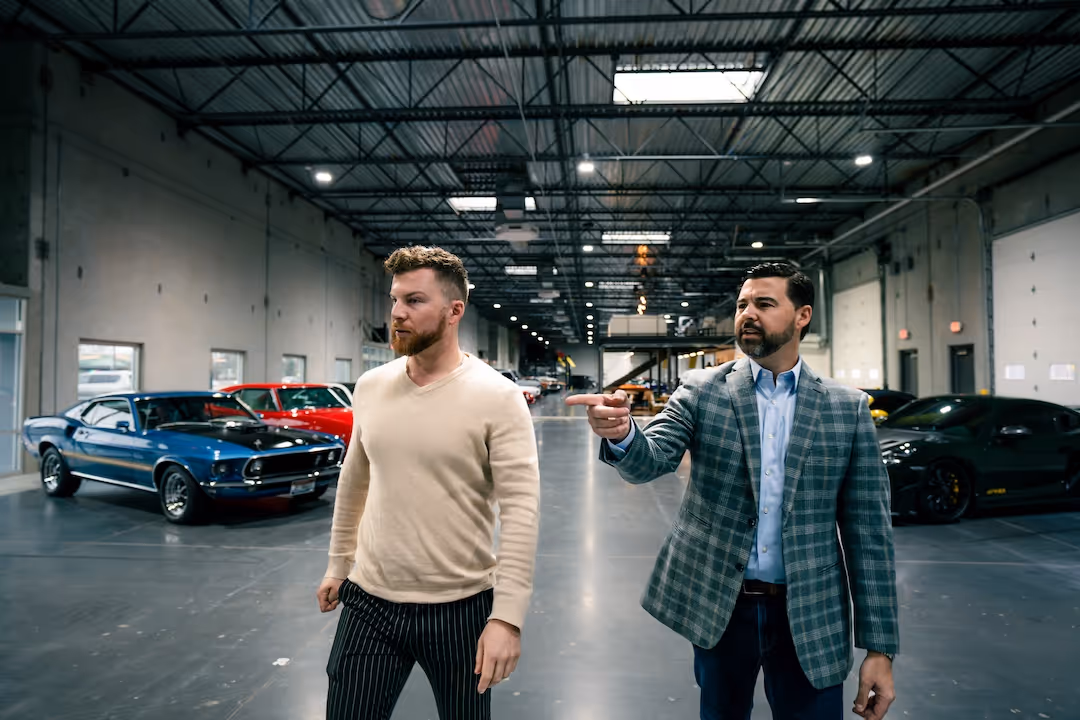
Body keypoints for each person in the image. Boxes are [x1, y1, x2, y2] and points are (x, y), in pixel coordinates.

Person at [567, 262, 899, 720]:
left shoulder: (847, 409)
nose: (747, 314)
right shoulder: (702, 390)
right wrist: (623, 433)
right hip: (721, 607)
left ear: (802, 316)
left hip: (809, 612)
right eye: (742, 304)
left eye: (764, 304)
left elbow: (869, 533)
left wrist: (880, 648)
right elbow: (652, 460)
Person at [317, 246, 541, 720]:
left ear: (454, 310)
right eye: (395, 300)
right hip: (370, 600)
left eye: (415, 301)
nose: (397, 313)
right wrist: (339, 564)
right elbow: (355, 480)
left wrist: (507, 617)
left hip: (460, 608)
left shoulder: (497, 396)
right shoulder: (372, 386)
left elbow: (521, 509)